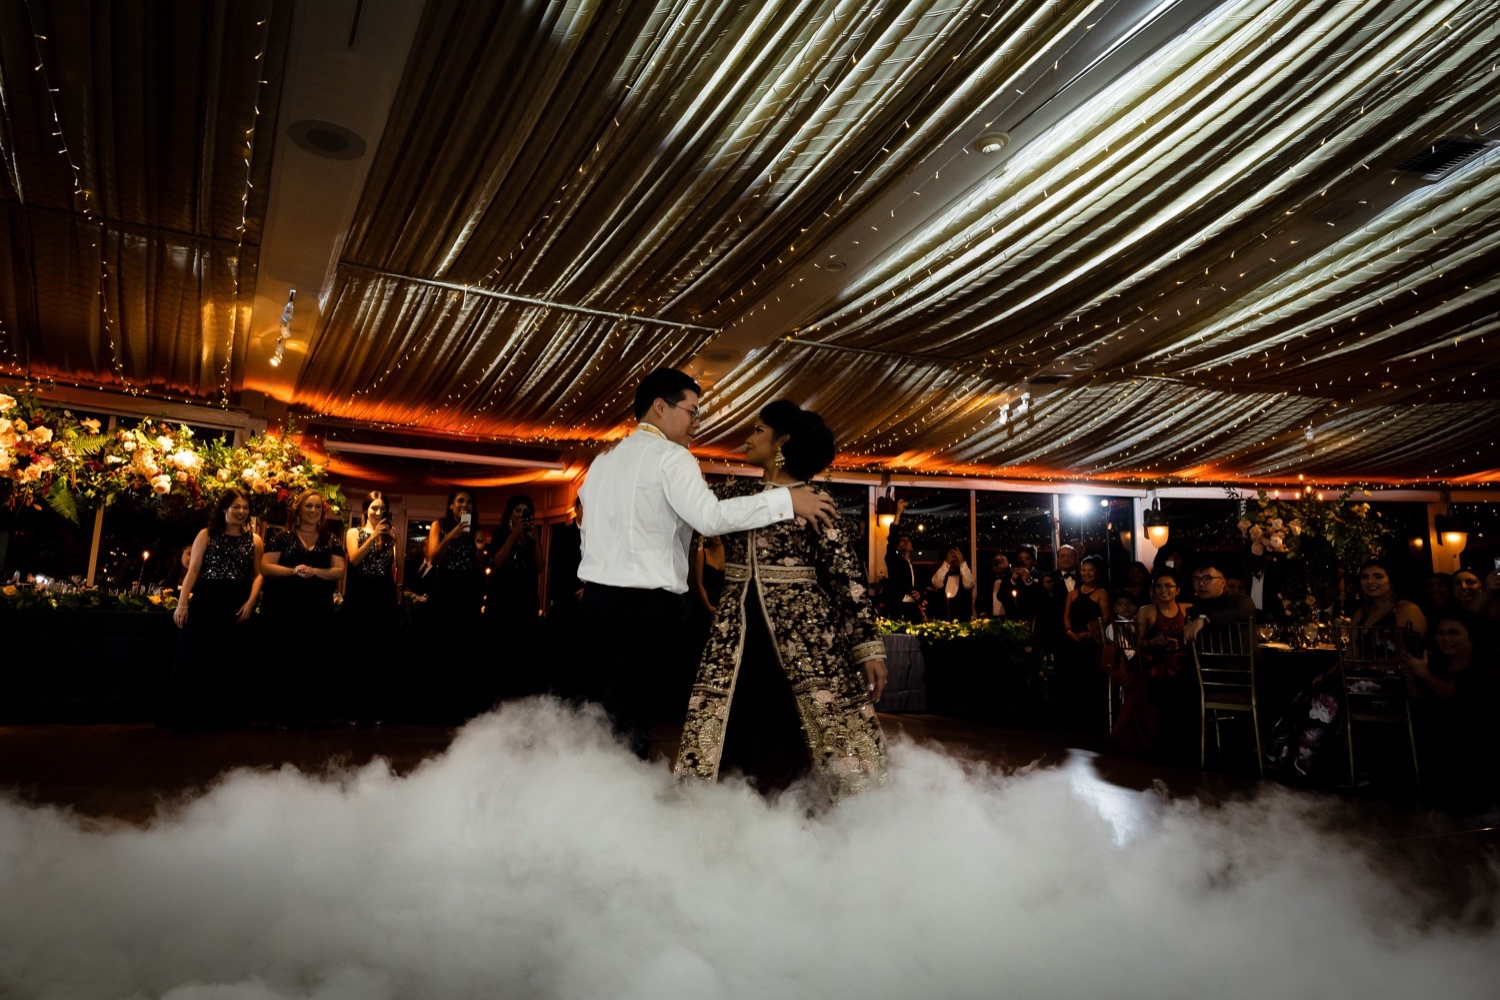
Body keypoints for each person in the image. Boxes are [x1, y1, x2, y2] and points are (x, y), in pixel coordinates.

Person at [576, 368, 838, 759]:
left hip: (594, 603)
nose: (696, 424)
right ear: (660, 407)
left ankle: (578, 793)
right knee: (630, 721)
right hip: (646, 607)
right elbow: (710, 518)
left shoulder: (601, 462)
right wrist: (787, 501)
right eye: (693, 411)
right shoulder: (673, 458)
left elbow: (587, 531)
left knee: (596, 712)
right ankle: (619, 806)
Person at [676, 400, 887, 799]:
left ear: (782, 442)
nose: (748, 437)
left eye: (758, 430)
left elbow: (847, 579)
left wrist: (868, 647)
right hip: (735, 634)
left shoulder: (818, 499)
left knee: (798, 725)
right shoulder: (734, 494)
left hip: (804, 638)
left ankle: (802, 818)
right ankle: (730, 812)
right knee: (737, 722)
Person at [170, 489, 263, 725]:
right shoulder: (206, 534)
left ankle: (227, 716)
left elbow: (259, 575)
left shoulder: (255, 540)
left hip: (238, 603)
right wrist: (182, 604)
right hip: (207, 601)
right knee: (200, 657)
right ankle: (197, 715)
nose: (241, 512)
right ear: (224, 509)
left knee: (232, 660)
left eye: (245, 508)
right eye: (236, 507)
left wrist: (251, 603)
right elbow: (193, 571)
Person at [260, 490, 346, 722]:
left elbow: (339, 570)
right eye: (309, 506)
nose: (313, 511)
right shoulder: (282, 537)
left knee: (314, 659)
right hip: (285, 607)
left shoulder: (331, 540)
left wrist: (315, 571)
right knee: (285, 659)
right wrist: (293, 571)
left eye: (317, 507)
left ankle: (312, 714)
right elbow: (265, 567)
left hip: (318, 609)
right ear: (298, 510)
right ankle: (282, 714)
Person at [1400, 610, 1499, 812]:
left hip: (1478, 746)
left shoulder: (1488, 666)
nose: (1445, 639)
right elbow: (1417, 697)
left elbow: (1459, 699)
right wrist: (1411, 675)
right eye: (1440, 633)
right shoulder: (1437, 663)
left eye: (1454, 633)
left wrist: (1424, 674)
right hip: (1439, 743)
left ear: (1471, 636)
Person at [344, 491, 399, 720]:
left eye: (382, 510)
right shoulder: (354, 532)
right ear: (365, 509)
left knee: (380, 652)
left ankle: (378, 709)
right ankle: (355, 709)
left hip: (383, 594)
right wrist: (374, 535)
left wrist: (396, 542)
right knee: (358, 652)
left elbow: (398, 565)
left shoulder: (389, 536)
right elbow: (354, 559)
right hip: (360, 594)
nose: (378, 513)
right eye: (374, 508)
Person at [487, 493, 543, 698]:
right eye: (517, 510)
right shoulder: (500, 534)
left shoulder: (530, 538)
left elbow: (539, 566)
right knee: (502, 651)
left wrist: (535, 540)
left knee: (524, 652)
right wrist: (513, 534)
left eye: (525, 512)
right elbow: (497, 563)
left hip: (526, 601)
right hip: (503, 601)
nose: (521, 514)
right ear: (510, 514)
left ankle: (522, 695)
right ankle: (500, 694)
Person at [1182, 558, 1257, 644]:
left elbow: (1246, 610)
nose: (1201, 584)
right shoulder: (1194, 611)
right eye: (1196, 579)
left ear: (1223, 582)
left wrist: (1206, 619)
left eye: (1207, 578)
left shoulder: (1237, 600)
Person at [883, 526, 923, 622]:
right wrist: (897, 515)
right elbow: (891, 542)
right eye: (902, 540)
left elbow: (921, 586)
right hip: (897, 606)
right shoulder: (894, 561)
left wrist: (919, 595)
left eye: (908, 540)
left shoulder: (915, 568)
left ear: (912, 547)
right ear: (897, 545)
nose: (905, 542)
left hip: (912, 608)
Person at [929, 546, 975, 620]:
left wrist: (962, 562)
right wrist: (946, 563)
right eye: (952, 557)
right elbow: (936, 583)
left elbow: (970, 585)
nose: (954, 559)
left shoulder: (965, 576)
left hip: (962, 621)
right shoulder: (943, 575)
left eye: (957, 557)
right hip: (943, 619)